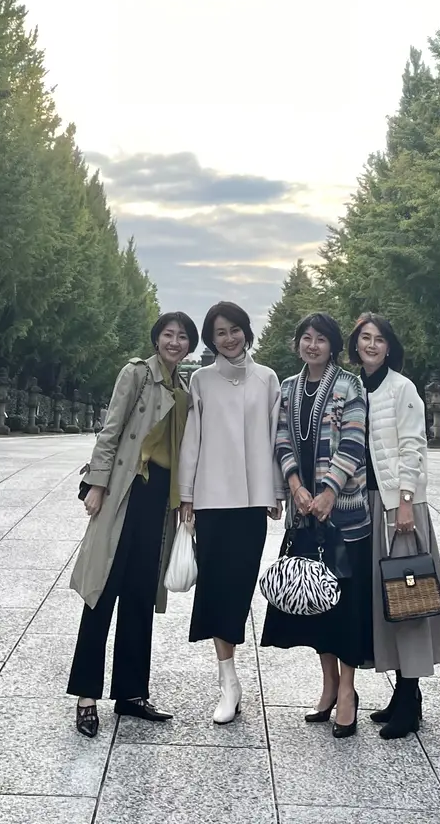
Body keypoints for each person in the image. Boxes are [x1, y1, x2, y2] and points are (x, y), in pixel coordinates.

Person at [67, 310, 198, 737]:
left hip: (158, 503)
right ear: (157, 338)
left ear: (190, 345)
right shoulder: (137, 374)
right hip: (125, 492)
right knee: (101, 591)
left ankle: (131, 693)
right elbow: (111, 430)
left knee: (141, 597)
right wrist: (97, 484)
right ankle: (86, 696)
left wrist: (184, 502)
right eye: (168, 334)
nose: (174, 342)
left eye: (182, 336)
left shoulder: (183, 388)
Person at [261, 311, 373, 738]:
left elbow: (354, 441)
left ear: (333, 346)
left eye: (321, 339)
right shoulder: (289, 388)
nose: (312, 345)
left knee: (345, 607)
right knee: (316, 602)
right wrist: (295, 485)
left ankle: (347, 691)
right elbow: (281, 440)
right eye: (306, 338)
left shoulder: (349, 385)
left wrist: (328, 491)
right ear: (298, 344)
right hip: (304, 512)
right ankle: (328, 686)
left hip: (343, 513)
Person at [179, 300, 282, 724]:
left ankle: (231, 678)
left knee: (239, 588)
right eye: (220, 332)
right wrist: (186, 494)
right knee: (215, 588)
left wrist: (276, 490)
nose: (229, 338)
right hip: (212, 500)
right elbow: (192, 437)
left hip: (253, 501)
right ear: (210, 339)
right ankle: (228, 681)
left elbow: (277, 437)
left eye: (234, 329)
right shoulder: (200, 380)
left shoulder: (267, 378)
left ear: (246, 331)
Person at [351, 311, 440, 738]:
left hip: (398, 507)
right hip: (365, 504)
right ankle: (400, 692)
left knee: (408, 598)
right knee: (385, 600)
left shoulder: (402, 388)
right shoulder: (352, 387)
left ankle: (410, 698)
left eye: (379, 339)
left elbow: (414, 446)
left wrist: (406, 501)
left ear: (389, 347)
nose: (372, 345)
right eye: (365, 337)